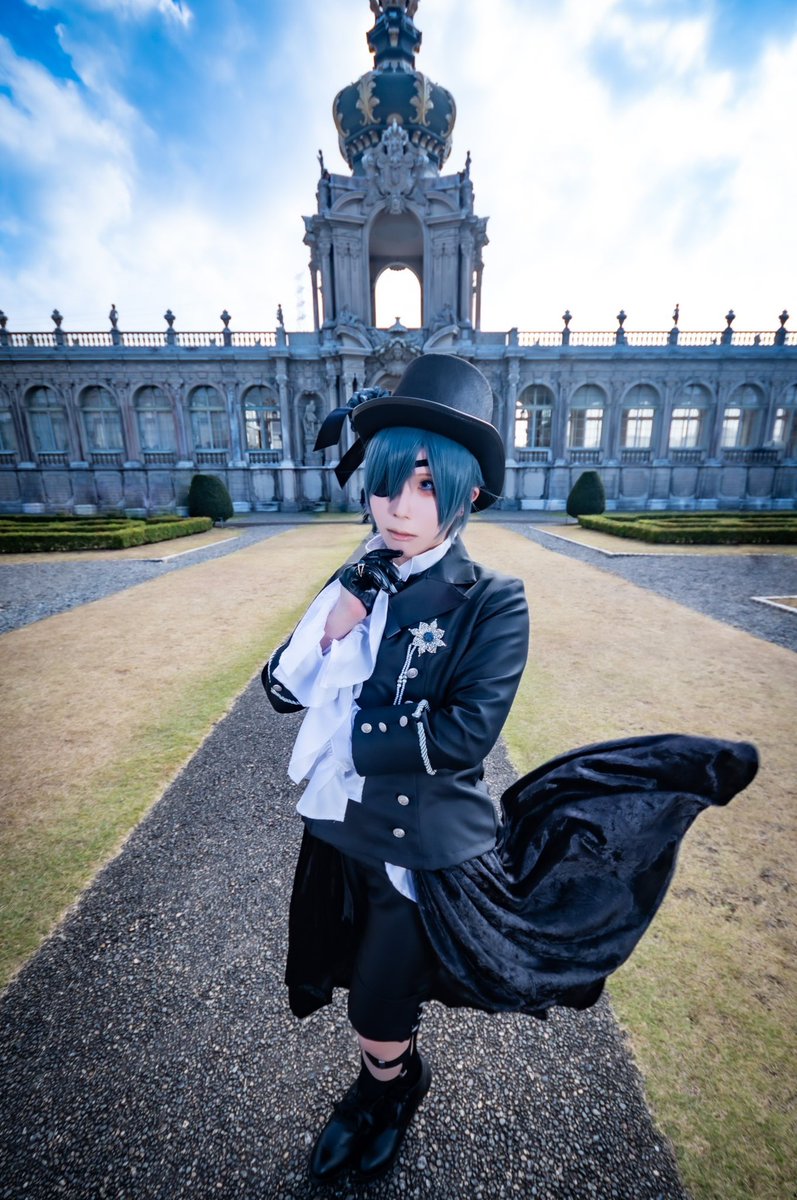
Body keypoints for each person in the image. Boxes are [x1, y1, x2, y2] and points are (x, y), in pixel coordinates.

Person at [262, 354, 758, 1186]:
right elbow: (281, 691)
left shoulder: (493, 597)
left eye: (426, 485)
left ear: (468, 494)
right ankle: (384, 1079)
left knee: (379, 996)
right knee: (341, 970)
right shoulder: (353, 579)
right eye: (385, 483)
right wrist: (335, 620)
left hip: (421, 844)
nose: (398, 506)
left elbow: (462, 736)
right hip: (339, 830)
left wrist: (348, 729)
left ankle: (391, 1087)